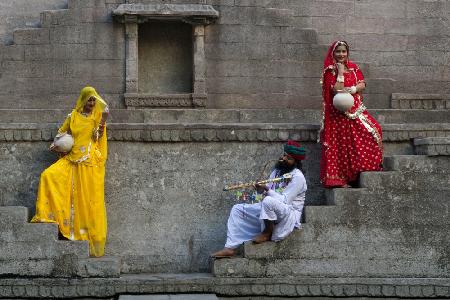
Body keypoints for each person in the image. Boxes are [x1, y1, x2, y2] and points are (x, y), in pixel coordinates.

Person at [31, 86, 109, 257]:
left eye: (93, 100)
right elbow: (61, 133)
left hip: (87, 163)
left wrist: (103, 120)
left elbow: (97, 137)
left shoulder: (96, 118)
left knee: (84, 200)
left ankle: (82, 235)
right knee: (48, 175)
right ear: (83, 100)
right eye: (89, 99)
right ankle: (53, 220)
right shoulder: (72, 116)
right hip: (70, 159)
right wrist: (58, 144)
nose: (91, 103)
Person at [211, 140, 307, 258]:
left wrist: (266, 189)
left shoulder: (298, 177)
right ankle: (230, 247)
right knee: (237, 209)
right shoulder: (277, 172)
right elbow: (267, 194)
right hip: (271, 208)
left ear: (295, 162)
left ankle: (267, 233)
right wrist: (260, 189)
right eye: (284, 155)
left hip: (288, 213)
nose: (284, 159)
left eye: (289, 158)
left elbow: (284, 200)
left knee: (268, 201)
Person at [319, 40, 383, 188]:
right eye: (338, 51)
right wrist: (340, 72)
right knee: (342, 146)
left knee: (374, 131)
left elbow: (363, 84)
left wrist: (354, 89)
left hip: (356, 110)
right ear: (333, 53)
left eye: (344, 51)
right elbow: (336, 90)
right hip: (338, 114)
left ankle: (362, 170)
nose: (341, 54)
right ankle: (341, 179)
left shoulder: (354, 67)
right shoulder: (330, 70)